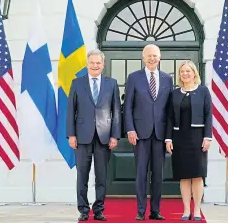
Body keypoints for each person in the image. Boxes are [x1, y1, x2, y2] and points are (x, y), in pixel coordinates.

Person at [66, 49, 121, 221]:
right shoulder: (77, 83)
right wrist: (71, 135)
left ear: (103, 65)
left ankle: (99, 210)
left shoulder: (112, 83)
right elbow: (70, 111)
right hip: (82, 137)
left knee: (101, 176)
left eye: (98, 63)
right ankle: (83, 210)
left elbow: (116, 111)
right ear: (87, 64)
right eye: (92, 63)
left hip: (104, 137)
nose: (95, 65)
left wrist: (115, 136)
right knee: (82, 175)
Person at [124, 44, 173, 220]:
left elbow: (169, 110)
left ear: (160, 57)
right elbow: (127, 106)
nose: (152, 59)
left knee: (158, 175)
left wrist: (169, 136)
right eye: (149, 56)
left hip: (160, 134)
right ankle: (140, 211)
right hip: (140, 134)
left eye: (155, 56)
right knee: (141, 173)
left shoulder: (167, 79)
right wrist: (130, 128)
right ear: (143, 58)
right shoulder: (134, 78)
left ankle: (155, 210)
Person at [165, 60, 212, 221]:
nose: (185, 74)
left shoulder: (203, 91)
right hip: (179, 138)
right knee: (184, 176)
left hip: (198, 138)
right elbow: (169, 118)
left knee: (197, 175)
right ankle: (186, 210)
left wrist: (207, 137)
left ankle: (197, 209)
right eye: (182, 71)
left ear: (194, 73)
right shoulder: (175, 93)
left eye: (188, 71)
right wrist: (168, 139)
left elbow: (208, 115)